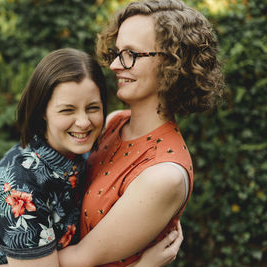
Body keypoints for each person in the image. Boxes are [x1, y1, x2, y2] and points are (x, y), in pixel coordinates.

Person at [0, 47, 183, 267]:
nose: (83, 122)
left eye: (92, 108)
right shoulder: (19, 187)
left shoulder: (83, 152)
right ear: (42, 110)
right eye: (67, 110)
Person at [55, 0, 224, 266]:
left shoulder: (163, 175)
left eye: (131, 54)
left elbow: (80, 258)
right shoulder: (113, 123)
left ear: (172, 63)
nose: (114, 65)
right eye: (117, 52)